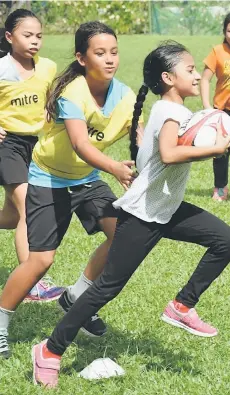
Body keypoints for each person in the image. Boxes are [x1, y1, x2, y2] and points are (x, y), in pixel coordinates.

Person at [31, 40, 230, 388]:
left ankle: (182, 306)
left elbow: (152, 158)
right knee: (106, 288)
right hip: (143, 215)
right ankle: (49, 351)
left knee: (226, 240)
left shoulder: (175, 113)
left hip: (166, 209)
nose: (196, 77)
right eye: (190, 71)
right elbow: (169, 155)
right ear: (168, 78)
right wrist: (213, 149)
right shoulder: (169, 112)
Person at [0, 21, 144, 359]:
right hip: (49, 178)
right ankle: (1, 322)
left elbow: (139, 133)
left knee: (124, 234)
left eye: (114, 52)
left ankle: (75, 297)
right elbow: (80, 143)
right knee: (40, 260)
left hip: (87, 179)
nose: (110, 60)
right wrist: (115, 168)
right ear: (81, 57)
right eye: (100, 53)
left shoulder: (124, 96)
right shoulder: (72, 92)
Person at [0, 9, 64, 308]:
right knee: (28, 210)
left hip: (34, 146)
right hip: (6, 146)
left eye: (39, 35)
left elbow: (56, 101)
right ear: (9, 36)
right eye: (28, 35)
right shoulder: (1, 68)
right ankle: (31, 285)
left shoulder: (48, 67)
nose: (35, 41)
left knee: (11, 218)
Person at [200, 12, 230, 201]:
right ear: (224, 31)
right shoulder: (217, 51)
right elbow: (205, 80)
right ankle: (220, 188)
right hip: (224, 112)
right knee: (221, 151)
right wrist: (208, 108)